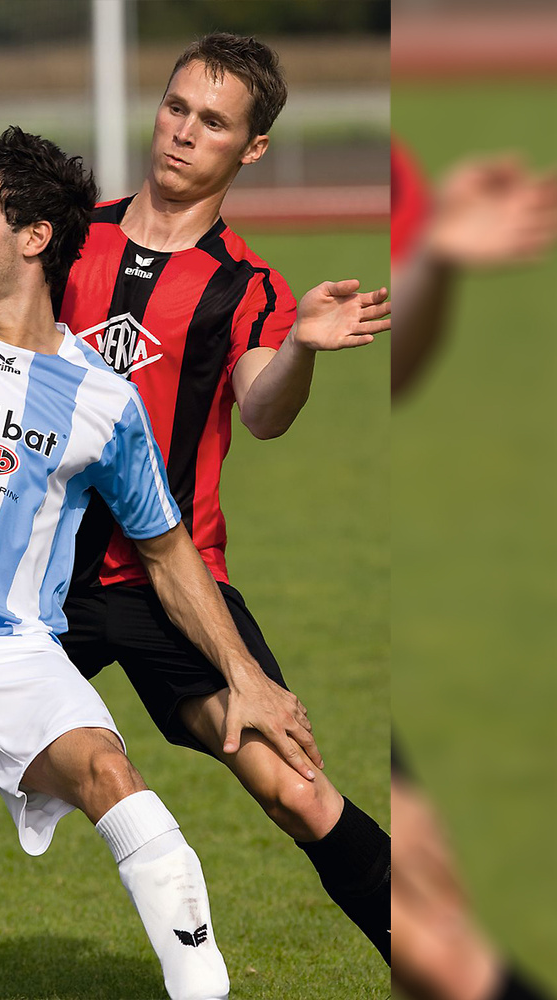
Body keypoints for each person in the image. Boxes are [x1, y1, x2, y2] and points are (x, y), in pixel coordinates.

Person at [0, 34, 391, 998]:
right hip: (20, 581)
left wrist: (299, 346)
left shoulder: (246, 288)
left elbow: (262, 411)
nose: (182, 132)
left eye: (212, 122)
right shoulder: (61, 234)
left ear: (250, 149)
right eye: (176, 107)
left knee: (293, 786)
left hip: (165, 581)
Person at [390, 141, 557, 1000]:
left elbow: (393, 368)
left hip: (279, 634)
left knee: (434, 942)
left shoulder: (383, 170)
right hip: (135, 611)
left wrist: (432, 257)